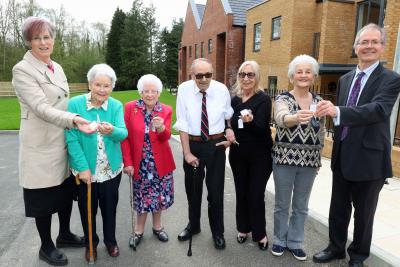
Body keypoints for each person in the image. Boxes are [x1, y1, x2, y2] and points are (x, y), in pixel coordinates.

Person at [313, 24, 400, 267]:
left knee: (364, 214)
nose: (369, 46)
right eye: (364, 42)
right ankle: (336, 247)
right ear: (356, 46)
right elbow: (341, 120)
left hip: (369, 159)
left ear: (382, 47)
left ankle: (359, 256)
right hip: (342, 155)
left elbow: (378, 110)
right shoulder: (345, 79)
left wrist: (337, 111)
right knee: (338, 209)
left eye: (374, 42)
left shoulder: (391, 79)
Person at [12, 16, 94, 266]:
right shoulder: (22, 70)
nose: (43, 42)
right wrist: (76, 119)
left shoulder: (56, 67)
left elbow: (65, 101)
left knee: (65, 192)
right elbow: (41, 107)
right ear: (29, 41)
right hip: (41, 146)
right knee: (44, 198)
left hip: (62, 141)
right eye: (37, 38)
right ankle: (46, 247)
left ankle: (65, 235)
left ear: (53, 39)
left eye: (47, 36)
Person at [65, 64, 127, 262]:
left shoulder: (116, 105)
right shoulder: (75, 104)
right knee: (87, 209)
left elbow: (123, 133)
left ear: (112, 87)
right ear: (89, 84)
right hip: (86, 171)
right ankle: (90, 244)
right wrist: (82, 168)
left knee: (110, 208)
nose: (102, 89)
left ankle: (111, 241)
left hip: (110, 170)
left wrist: (113, 131)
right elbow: (72, 139)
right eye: (97, 84)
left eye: (106, 86)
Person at [174, 58, 234, 249]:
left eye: (208, 74)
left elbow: (227, 116)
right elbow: (182, 123)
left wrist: (229, 131)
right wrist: (187, 153)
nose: (204, 79)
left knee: (215, 192)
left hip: (216, 145)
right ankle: (194, 225)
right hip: (193, 144)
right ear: (192, 75)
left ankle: (218, 231)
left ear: (212, 73)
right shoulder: (184, 89)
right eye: (199, 75)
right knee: (193, 190)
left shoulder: (221, 89)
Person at [271, 55, 325, 261]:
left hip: (309, 162)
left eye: (307, 71)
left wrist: (318, 157)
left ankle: (295, 242)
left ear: (313, 76)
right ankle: (279, 239)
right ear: (292, 76)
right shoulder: (283, 99)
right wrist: (296, 117)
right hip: (284, 159)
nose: (303, 75)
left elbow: (320, 134)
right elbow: (281, 118)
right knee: (282, 204)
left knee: (301, 205)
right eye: (299, 72)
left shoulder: (320, 102)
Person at [121, 74, 176, 247]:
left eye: (154, 91)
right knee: (141, 197)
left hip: (161, 164)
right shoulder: (130, 108)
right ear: (141, 92)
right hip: (141, 164)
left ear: (159, 93)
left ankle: (158, 227)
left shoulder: (165, 109)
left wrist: (161, 128)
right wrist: (128, 162)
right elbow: (125, 138)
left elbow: (165, 138)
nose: (150, 94)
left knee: (159, 197)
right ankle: (138, 230)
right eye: (146, 91)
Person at [228, 60, 273, 251]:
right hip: (238, 154)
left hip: (260, 157)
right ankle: (243, 228)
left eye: (250, 74)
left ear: (257, 77)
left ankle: (259, 232)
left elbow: (263, 129)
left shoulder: (263, 99)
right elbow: (227, 122)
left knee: (255, 195)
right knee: (241, 193)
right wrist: (227, 130)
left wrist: (250, 121)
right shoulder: (234, 100)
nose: (246, 78)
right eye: (242, 74)